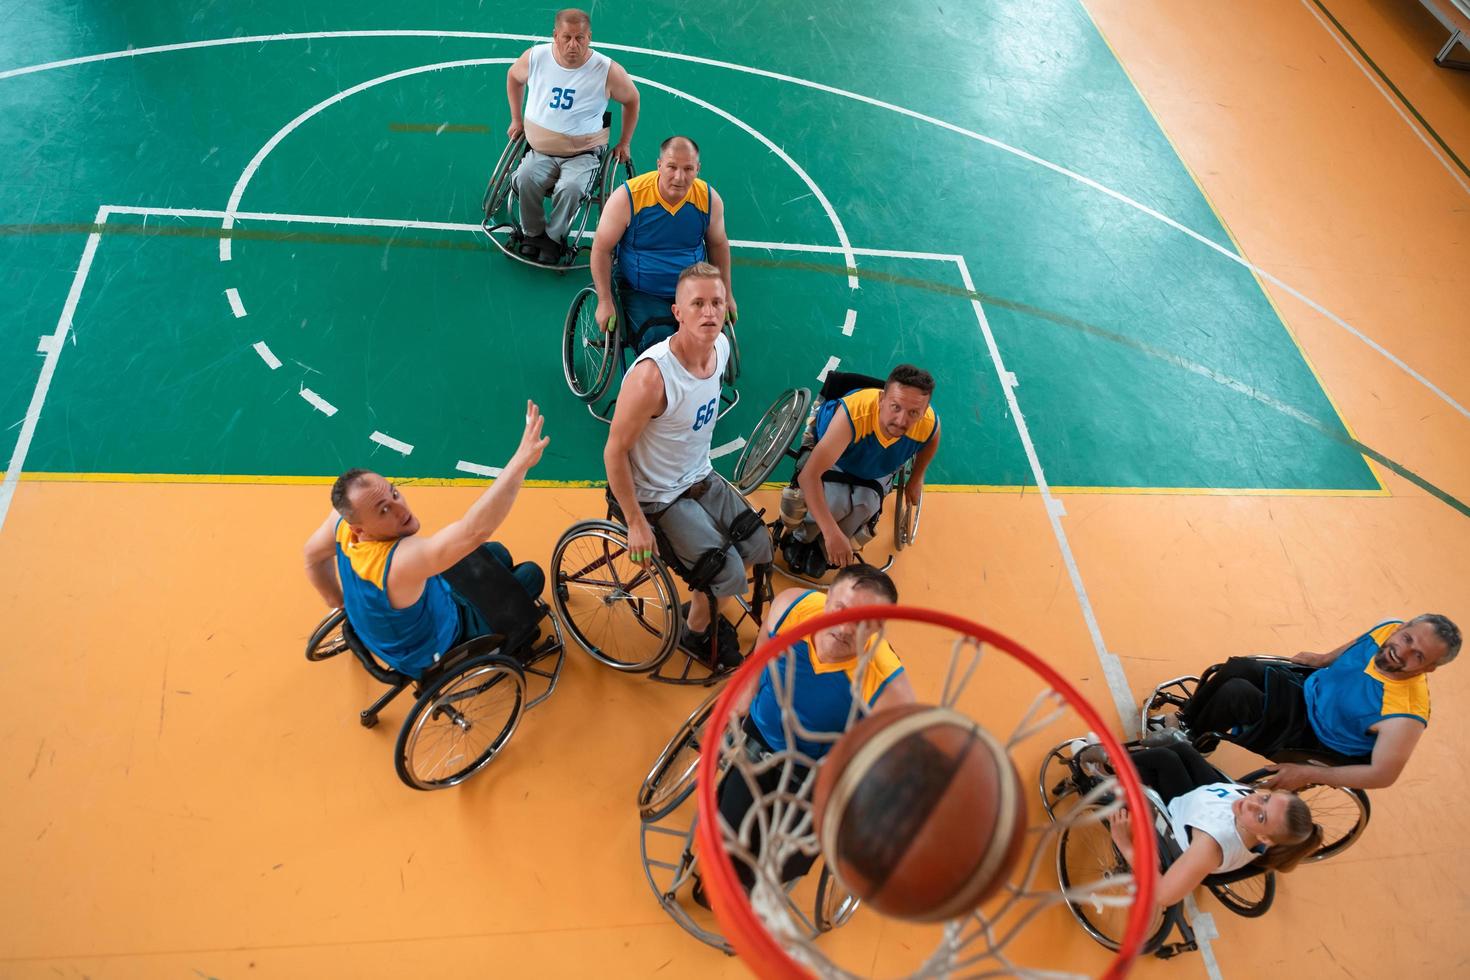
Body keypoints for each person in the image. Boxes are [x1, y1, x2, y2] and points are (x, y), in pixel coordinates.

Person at [704, 564, 915, 898]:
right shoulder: (791, 607)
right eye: (841, 609)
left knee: (790, 851)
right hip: (759, 737)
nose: (846, 627)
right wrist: (742, 696)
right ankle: (730, 880)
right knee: (731, 830)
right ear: (827, 597)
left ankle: (756, 886)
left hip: (811, 774)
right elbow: (762, 645)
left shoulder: (888, 688)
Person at [302, 402, 550, 677]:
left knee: (496, 553)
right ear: (360, 529)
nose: (401, 510)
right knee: (531, 575)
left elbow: (312, 557)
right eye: (384, 510)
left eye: (394, 494)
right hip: (436, 642)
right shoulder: (401, 560)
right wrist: (521, 462)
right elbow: (474, 530)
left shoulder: (342, 524)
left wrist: (337, 601)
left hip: (392, 624)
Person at [603, 261, 768, 668]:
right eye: (698, 304)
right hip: (654, 497)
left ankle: (703, 605)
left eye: (716, 302)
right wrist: (636, 521)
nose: (709, 312)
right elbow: (613, 451)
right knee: (726, 571)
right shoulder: (652, 378)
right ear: (678, 313)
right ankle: (695, 633)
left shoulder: (721, 348)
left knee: (759, 542)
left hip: (699, 475)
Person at [1171, 615, 1460, 791]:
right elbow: (1359, 643)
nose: (1402, 651)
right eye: (1406, 637)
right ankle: (1187, 729)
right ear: (1402, 627)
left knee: (1236, 693)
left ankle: (1181, 744)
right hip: (1310, 691)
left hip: (1317, 736)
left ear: (1429, 668)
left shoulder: (1405, 716)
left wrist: (1311, 773)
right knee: (1239, 666)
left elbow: (1383, 775)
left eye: (1418, 655)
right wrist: (1322, 659)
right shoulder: (1390, 628)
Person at [1085, 739, 1320, 911]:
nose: (1253, 804)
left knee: (1163, 760)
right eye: (1265, 798)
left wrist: (1125, 843)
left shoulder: (1210, 846)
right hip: (1208, 802)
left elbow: (1163, 896)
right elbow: (1252, 804)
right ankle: (1120, 762)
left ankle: (1104, 767)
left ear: (1266, 840)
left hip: (1184, 811)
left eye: (1261, 817)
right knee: (1180, 748)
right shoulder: (1250, 815)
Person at [505, 8, 640, 264]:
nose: (573, 45)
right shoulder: (535, 58)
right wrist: (516, 118)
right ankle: (532, 234)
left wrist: (625, 142)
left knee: (572, 188)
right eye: (567, 37)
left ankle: (554, 239)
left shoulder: (607, 70)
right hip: (540, 150)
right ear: (555, 36)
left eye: (580, 38)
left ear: (589, 37)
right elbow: (513, 77)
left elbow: (632, 100)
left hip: (583, 153)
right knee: (524, 178)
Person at [781, 365, 940, 577]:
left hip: (875, 468)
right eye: (895, 407)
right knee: (834, 504)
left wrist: (917, 478)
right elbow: (809, 476)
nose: (902, 421)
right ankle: (801, 537)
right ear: (882, 399)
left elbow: (932, 439)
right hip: (839, 456)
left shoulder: (928, 423)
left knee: (865, 506)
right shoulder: (853, 415)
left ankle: (822, 550)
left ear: (924, 411)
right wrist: (831, 533)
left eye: (913, 413)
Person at [590, 135, 735, 352]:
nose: (679, 177)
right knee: (660, 346)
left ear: (698, 169)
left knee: (709, 342)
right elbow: (602, 249)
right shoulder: (628, 198)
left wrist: (726, 294)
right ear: (659, 165)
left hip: (693, 288)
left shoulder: (708, 199)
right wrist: (604, 300)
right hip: (642, 290)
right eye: (672, 167)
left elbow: (718, 245)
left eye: (688, 169)